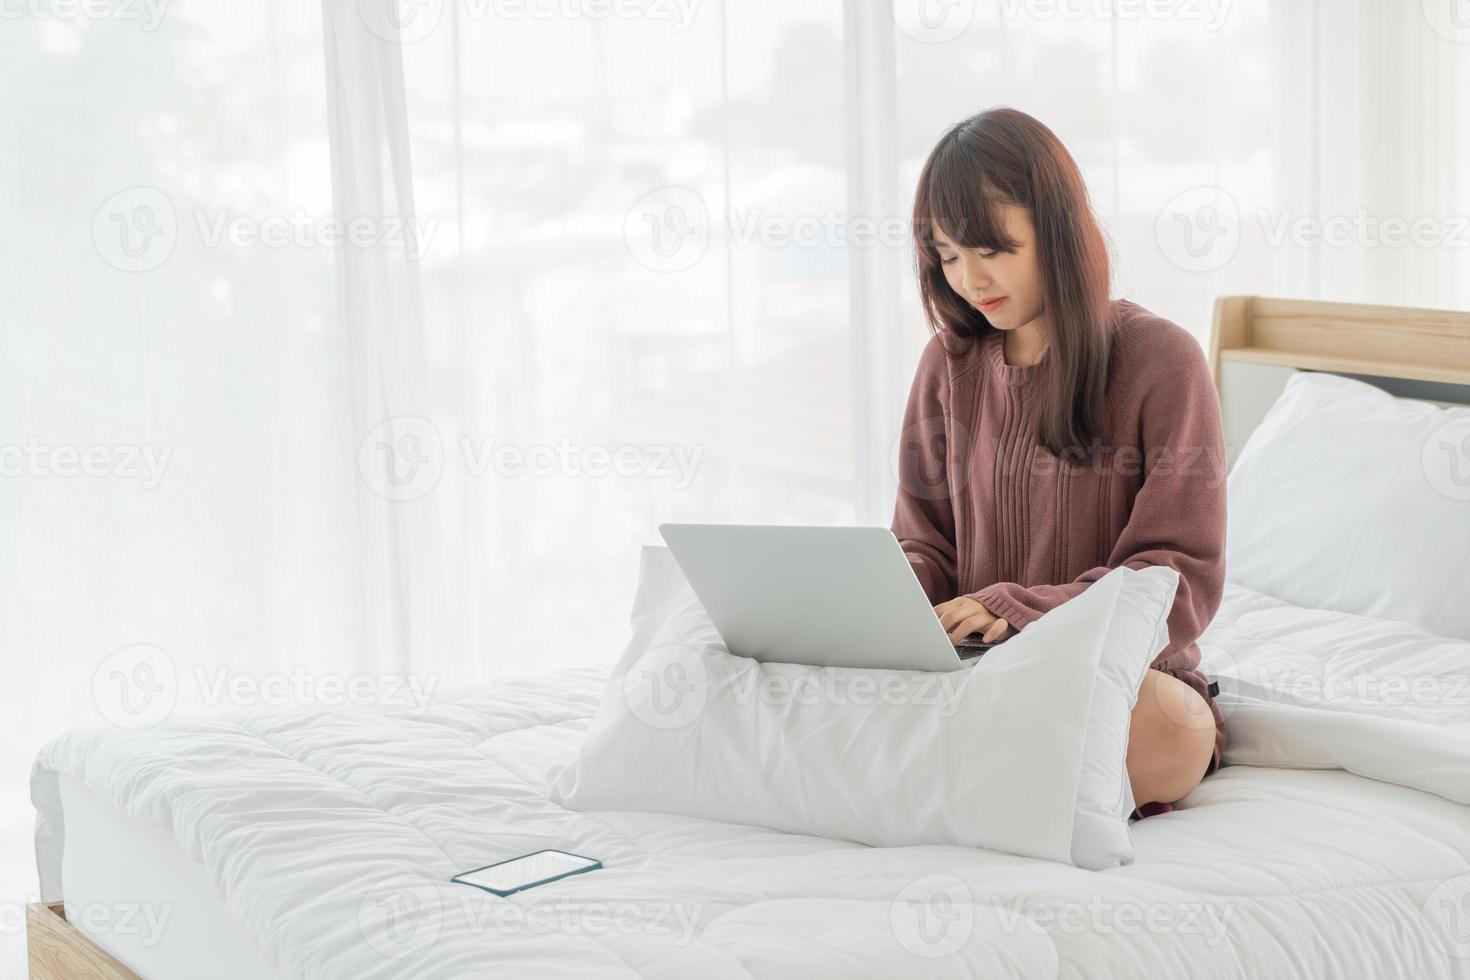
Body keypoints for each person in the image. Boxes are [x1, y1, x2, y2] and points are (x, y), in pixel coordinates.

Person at [891, 107, 1227, 816]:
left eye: (990, 248)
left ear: (1057, 227)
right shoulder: (947, 365)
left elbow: (1176, 582)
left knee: (1179, 731)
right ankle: (969, 774)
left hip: (1115, 677)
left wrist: (1016, 609)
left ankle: (932, 778)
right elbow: (922, 541)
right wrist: (885, 608)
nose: (969, 279)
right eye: (947, 255)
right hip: (972, 673)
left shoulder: (1162, 360)